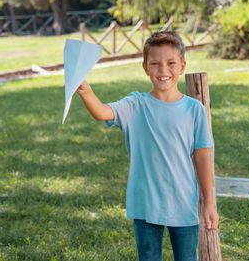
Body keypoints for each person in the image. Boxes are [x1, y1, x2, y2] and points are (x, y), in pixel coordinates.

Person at [76, 31, 219, 261]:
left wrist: (210, 204)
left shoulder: (194, 110)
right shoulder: (135, 105)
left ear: (182, 66)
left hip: (183, 204)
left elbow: (202, 159)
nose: (163, 70)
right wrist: (85, 91)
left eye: (170, 63)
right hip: (146, 205)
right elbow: (102, 112)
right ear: (145, 67)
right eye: (155, 64)